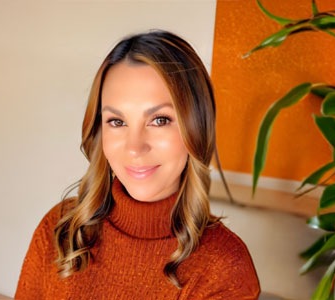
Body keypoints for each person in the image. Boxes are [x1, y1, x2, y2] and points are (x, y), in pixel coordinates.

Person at [15, 30, 260, 299]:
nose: (135, 147)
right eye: (117, 122)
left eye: (159, 120)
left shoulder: (223, 268)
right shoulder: (60, 231)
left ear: (196, 128)